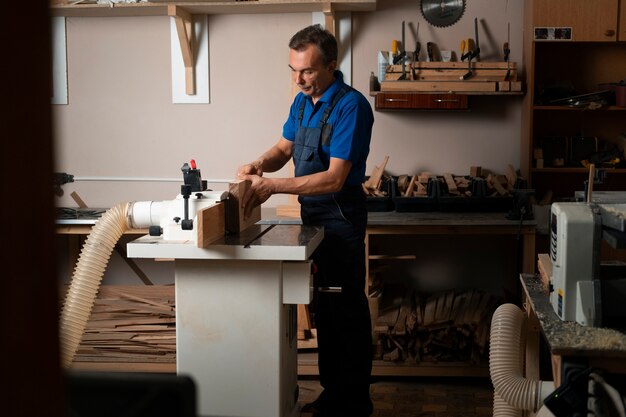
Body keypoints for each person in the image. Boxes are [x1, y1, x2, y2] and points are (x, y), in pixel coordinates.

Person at [237, 24, 374, 417]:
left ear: (332, 65)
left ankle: (355, 403)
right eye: (293, 70)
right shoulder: (302, 102)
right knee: (325, 309)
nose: (298, 80)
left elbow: (334, 177)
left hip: (342, 216)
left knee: (346, 308)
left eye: (308, 72)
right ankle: (333, 394)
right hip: (313, 217)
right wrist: (258, 164)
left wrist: (274, 186)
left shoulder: (352, 106)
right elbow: (284, 148)